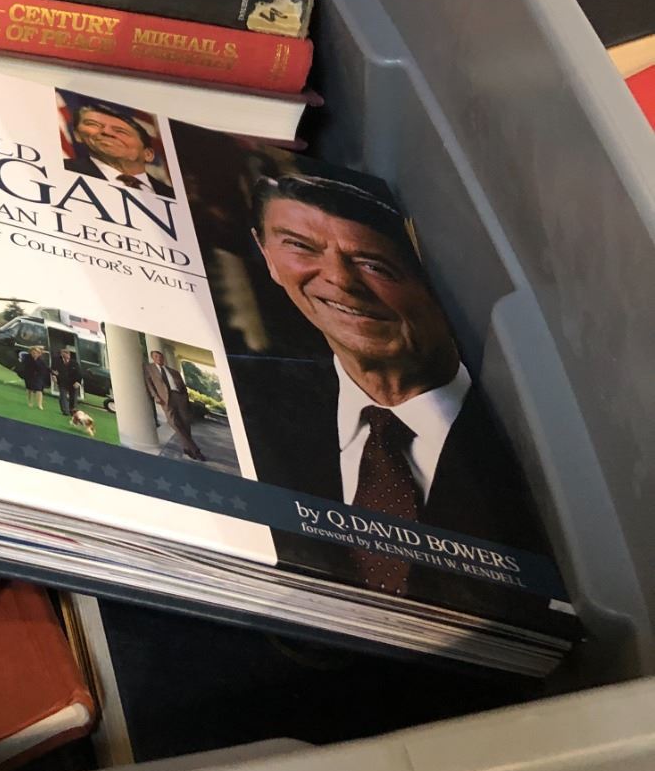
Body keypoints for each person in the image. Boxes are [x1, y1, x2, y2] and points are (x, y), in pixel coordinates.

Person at [237, 172, 545, 591]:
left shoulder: (536, 446)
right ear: (266, 254)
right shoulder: (248, 400)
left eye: (374, 264)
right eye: (301, 247)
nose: (340, 280)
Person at [62, 100, 173, 196]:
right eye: (94, 124)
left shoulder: (171, 195)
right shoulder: (63, 169)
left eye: (120, 131)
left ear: (148, 154)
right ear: (77, 135)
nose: (106, 131)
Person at [142, 348, 204, 460]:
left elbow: (183, 386)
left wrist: (185, 397)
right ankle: (195, 450)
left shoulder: (173, 371)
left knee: (185, 422)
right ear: (152, 358)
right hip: (166, 399)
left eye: (160, 356)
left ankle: (187, 448)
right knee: (174, 422)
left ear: (163, 358)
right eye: (156, 356)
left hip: (179, 397)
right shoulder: (149, 368)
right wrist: (155, 396)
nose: (159, 358)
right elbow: (149, 383)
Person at [17, 343, 51, 410]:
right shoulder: (27, 357)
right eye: (33, 353)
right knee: (29, 389)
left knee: (39, 389)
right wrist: (37, 347)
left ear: (39, 354)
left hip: (38, 376)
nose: (34, 354)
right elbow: (25, 365)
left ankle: (39, 404)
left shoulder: (41, 360)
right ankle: (30, 402)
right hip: (29, 375)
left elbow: (45, 368)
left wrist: (52, 372)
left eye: (36, 353)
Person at [53, 346, 84, 417]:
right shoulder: (58, 362)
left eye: (65, 354)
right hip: (62, 382)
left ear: (68, 355)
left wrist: (78, 382)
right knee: (63, 396)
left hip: (73, 383)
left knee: (73, 398)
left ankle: (72, 411)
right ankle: (65, 411)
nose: (63, 356)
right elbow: (53, 370)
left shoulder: (74, 363)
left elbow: (80, 374)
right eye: (62, 355)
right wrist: (54, 376)